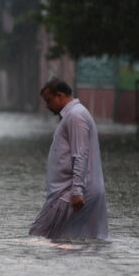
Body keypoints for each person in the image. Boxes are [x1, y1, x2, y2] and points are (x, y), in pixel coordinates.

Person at [29, 78, 109, 240]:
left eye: (49, 100)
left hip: (69, 192)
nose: (47, 106)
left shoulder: (75, 116)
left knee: (38, 235)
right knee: (75, 241)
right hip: (74, 190)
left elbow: (80, 154)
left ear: (60, 95)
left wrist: (77, 191)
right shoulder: (73, 115)